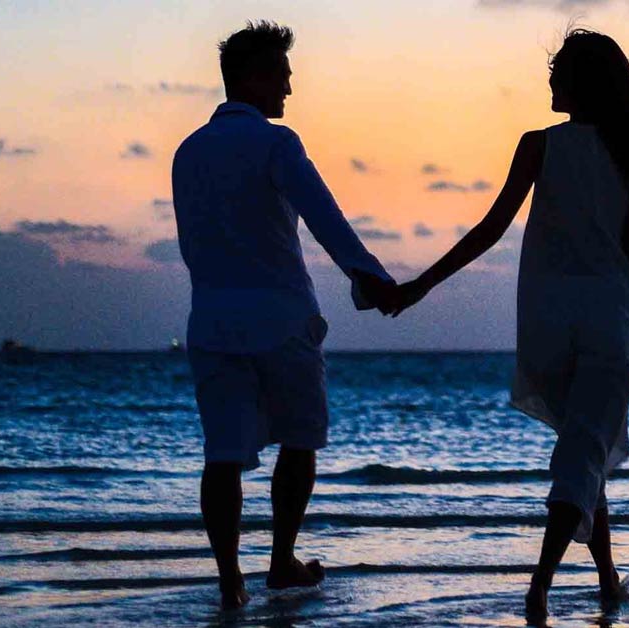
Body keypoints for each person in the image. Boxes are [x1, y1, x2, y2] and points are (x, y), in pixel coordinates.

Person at [391, 28, 629, 622]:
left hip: (548, 325)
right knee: (581, 454)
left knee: (583, 448)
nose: (549, 80)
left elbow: (490, 229)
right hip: (609, 320)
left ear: (580, 82)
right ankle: (540, 585)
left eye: (557, 72)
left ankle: (607, 578)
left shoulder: (538, 145)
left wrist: (421, 284)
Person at [171, 20, 397, 609]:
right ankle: (280, 560)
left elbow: (192, 241)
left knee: (222, 454)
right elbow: (323, 216)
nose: (289, 92)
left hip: (212, 320)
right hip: (280, 317)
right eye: (284, 77)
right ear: (255, 76)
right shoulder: (277, 143)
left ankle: (229, 581)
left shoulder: (187, 152)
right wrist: (370, 279)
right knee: (299, 440)